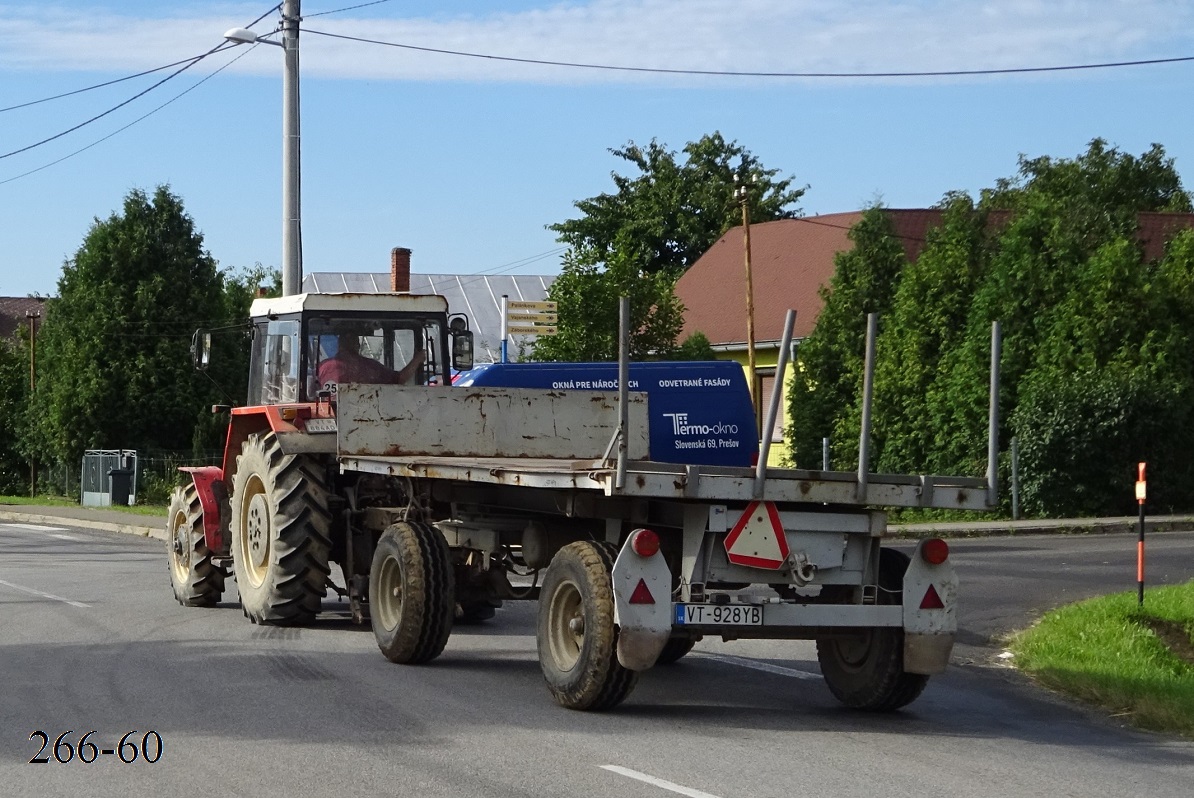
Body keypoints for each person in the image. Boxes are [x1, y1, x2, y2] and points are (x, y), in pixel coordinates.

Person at [317, 333, 425, 389]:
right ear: (358, 345)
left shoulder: (322, 367)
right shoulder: (370, 367)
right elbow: (400, 379)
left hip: (328, 414)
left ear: (339, 345)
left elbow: (312, 392)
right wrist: (418, 359)